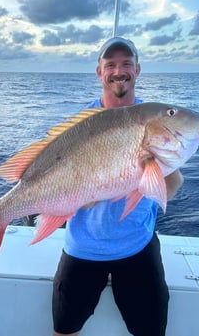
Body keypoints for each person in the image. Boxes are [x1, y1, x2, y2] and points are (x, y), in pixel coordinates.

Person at [52, 37, 183, 336]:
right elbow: (57, 171)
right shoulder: (79, 123)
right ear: (99, 72)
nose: (118, 71)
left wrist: (162, 164)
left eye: (126, 63)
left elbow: (172, 187)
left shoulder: (155, 119)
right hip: (82, 247)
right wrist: (75, 194)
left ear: (137, 69)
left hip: (137, 245)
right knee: (64, 331)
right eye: (110, 64)